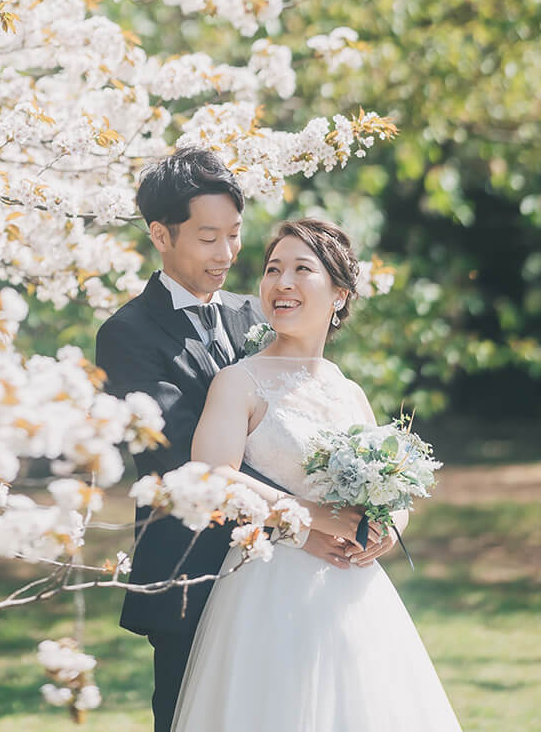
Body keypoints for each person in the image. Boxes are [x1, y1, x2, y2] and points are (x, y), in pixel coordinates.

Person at [95, 153, 377, 732]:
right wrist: (313, 521)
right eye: (207, 238)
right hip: (194, 572)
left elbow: (308, 420)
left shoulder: (257, 312)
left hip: (300, 580)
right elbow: (182, 462)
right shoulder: (127, 334)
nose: (226, 255)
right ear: (160, 235)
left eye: (234, 235)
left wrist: (370, 511)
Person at [171, 216, 462, 732]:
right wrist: (314, 520)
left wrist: (386, 532)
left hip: (354, 593)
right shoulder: (239, 381)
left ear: (339, 295)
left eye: (301, 269)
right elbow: (211, 476)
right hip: (267, 588)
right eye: (272, 269)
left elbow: (391, 485)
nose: (280, 283)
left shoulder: (349, 391)